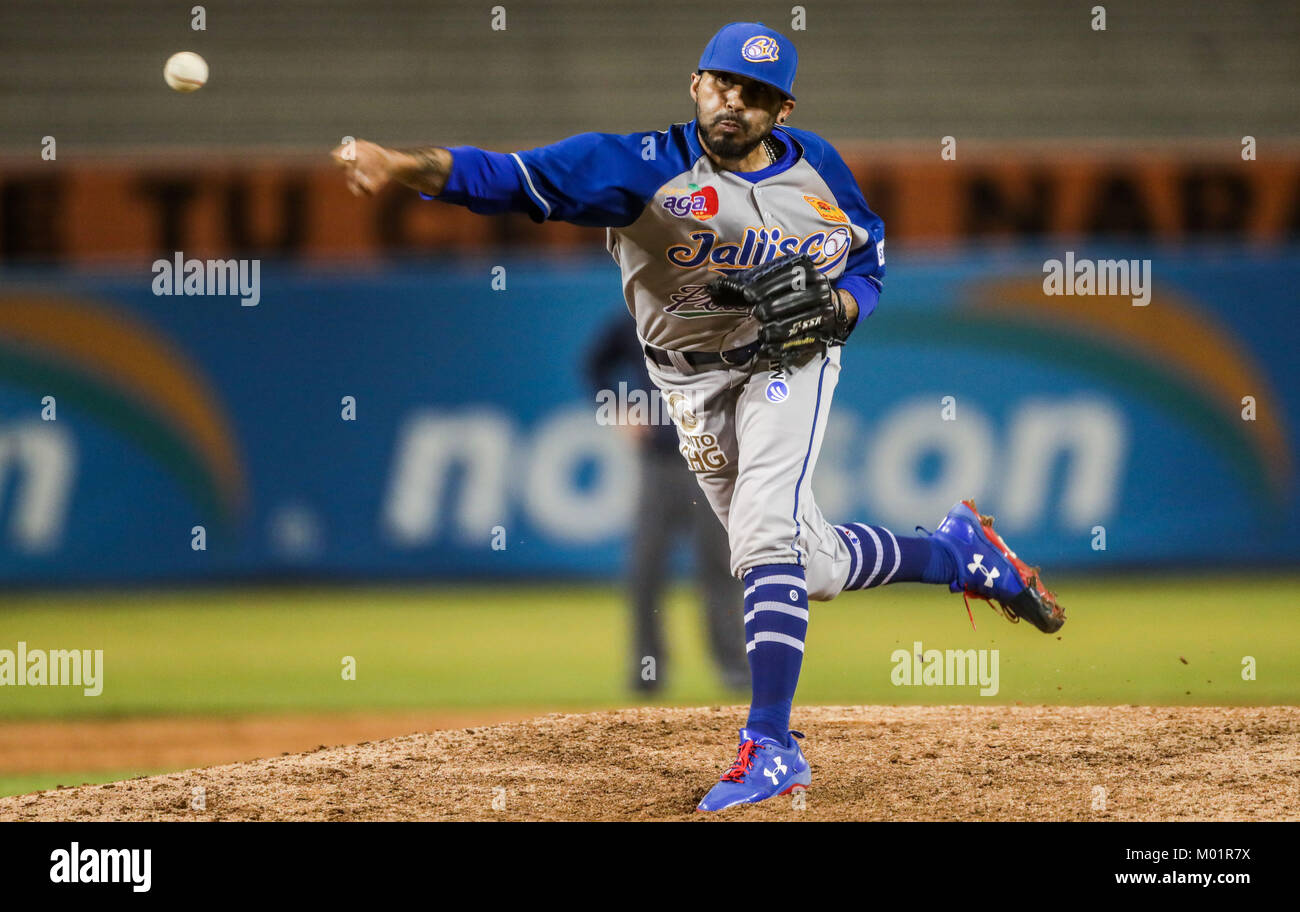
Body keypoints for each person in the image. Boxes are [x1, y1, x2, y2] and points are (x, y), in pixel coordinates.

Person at [332, 20, 1064, 812]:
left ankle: (771, 747)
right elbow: (506, 176)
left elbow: (868, 257)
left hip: (788, 360)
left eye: (756, 94)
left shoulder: (818, 167)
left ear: (781, 111)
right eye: (723, 84)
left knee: (763, 536)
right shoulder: (637, 168)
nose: (734, 102)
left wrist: (843, 308)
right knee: (811, 566)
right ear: (696, 85)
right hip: (685, 383)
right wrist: (398, 165)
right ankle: (957, 553)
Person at [586, 313, 751, 694]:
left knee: (720, 567)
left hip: (713, 460)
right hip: (659, 462)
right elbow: (594, 363)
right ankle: (648, 671)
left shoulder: (717, 312)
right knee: (645, 568)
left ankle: (734, 669)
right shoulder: (639, 315)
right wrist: (616, 409)